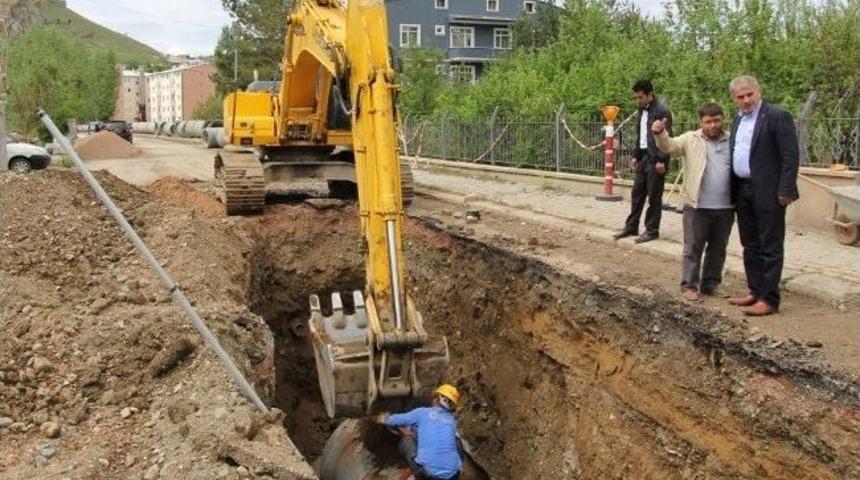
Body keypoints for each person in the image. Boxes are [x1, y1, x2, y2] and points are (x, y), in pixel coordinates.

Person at [726, 75, 799, 316]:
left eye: (750, 95)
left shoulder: (777, 116)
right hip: (743, 189)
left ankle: (769, 299)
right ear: (734, 99)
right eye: (741, 97)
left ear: (758, 92)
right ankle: (755, 291)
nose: (746, 100)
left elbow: (790, 156)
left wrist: (786, 189)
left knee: (770, 244)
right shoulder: (738, 120)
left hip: (769, 191)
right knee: (750, 243)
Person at [652, 102, 734, 302]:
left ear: (723, 118)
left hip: (726, 206)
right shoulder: (691, 139)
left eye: (716, 120)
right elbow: (670, 147)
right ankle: (689, 285)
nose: (713, 125)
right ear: (701, 122)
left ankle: (710, 284)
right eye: (708, 121)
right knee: (693, 247)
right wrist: (660, 133)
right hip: (697, 205)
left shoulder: (733, 139)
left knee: (718, 248)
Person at [613, 79, 673, 244]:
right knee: (637, 194)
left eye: (640, 97)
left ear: (649, 94)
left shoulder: (662, 110)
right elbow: (640, 135)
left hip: (656, 158)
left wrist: (662, 159)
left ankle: (652, 230)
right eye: (636, 98)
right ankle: (631, 226)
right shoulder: (641, 110)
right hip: (643, 157)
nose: (637, 101)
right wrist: (635, 156)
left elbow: (667, 136)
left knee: (654, 196)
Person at [372, 384, 464, 480]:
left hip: (428, 476)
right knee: (456, 440)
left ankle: (412, 471)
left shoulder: (422, 412)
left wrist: (380, 418)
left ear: (436, 399)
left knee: (406, 442)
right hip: (453, 475)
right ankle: (455, 466)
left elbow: (396, 419)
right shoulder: (452, 421)